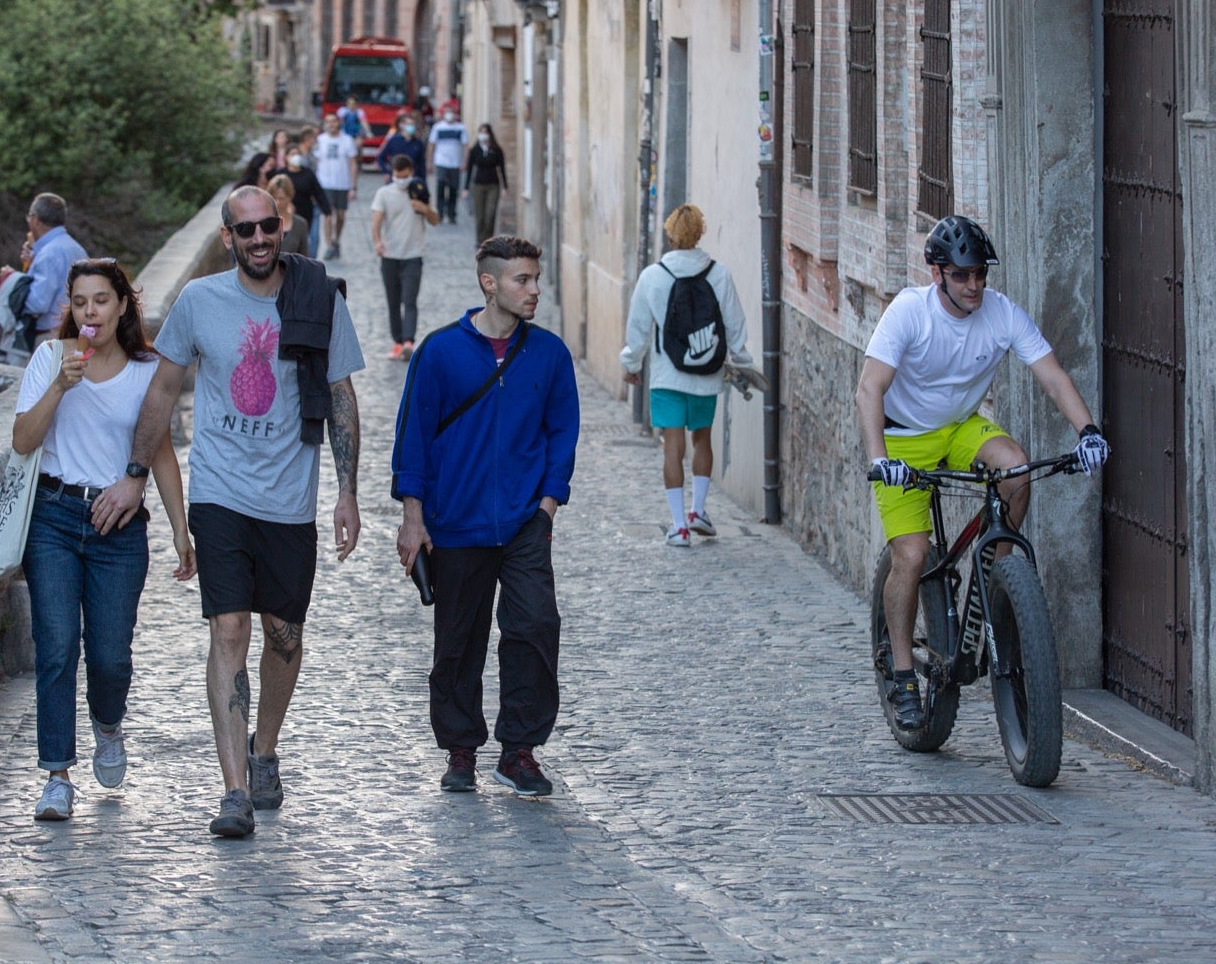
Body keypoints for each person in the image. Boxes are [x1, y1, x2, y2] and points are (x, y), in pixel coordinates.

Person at [93, 185, 364, 839]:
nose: (259, 238)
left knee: (284, 634)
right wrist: (134, 475)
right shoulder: (198, 301)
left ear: (283, 226)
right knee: (230, 631)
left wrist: (347, 490)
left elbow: (341, 394)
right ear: (228, 238)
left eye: (268, 226)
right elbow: (163, 389)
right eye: (246, 230)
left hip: (289, 497)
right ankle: (235, 790)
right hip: (220, 493)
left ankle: (265, 748)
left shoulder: (318, 298)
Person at [856, 214, 1110, 732]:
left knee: (1016, 468)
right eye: (962, 275)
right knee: (913, 554)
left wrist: (1088, 431)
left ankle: (998, 575)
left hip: (960, 427)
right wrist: (880, 458)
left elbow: (1053, 375)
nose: (974, 285)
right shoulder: (910, 312)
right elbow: (869, 389)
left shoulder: (1001, 314)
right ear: (938, 274)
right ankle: (903, 671)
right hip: (904, 436)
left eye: (981, 275)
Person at [392, 236, 580, 798]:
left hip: (525, 522)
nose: (535, 291)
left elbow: (562, 433)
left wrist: (547, 505)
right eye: (522, 280)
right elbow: (414, 437)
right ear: (489, 283)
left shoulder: (548, 354)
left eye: (536, 279)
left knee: (535, 628)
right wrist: (412, 517)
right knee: (458, 639)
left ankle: (519, 751)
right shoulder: (440, 352)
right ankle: (461, 750)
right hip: (455, 521)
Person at [12, 258, 194, 821]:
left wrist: (181, 530)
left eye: (102, 301)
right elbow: (22, 440)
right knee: (58, 645)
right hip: (54, 517)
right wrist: (59, 389)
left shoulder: (146, 370)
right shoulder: (50, 360)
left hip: (119, 529)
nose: (91, 312)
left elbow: (159, 453)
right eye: (81, 302)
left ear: (122, 306)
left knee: (111, 657)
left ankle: (108, 725)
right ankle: (56, 775)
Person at [619, 204, 753, 547]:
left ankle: (678, 526)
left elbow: (638, 328)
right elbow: (735, 324)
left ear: (670, 235)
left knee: (672, 446)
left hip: (667, 376)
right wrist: (742, 362)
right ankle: (698, 511)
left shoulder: (653, 276)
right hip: (707, 374)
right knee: (702, 439)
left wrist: (631, 365)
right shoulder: (718, 273)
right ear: (699, 234)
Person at [371, 155, 439, 360]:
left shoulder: (419, 190)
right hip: (390, 256)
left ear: (411, 172)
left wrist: (424, 208)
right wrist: (377, 242)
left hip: (413, 255)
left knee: (409, 300)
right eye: (398, 176)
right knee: (393, 301)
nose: (401, 179)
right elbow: (376, 221)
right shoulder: (384, 193)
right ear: (393, 174)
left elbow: (435, 220)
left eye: (405, 176)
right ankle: (397, 343)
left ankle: (409, 341)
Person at [18, 193, 89, 342]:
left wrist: (12, 285)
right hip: (77, 333)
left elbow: (37, 303)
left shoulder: (48, 254)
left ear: (35, 220)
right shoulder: (78, 249)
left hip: (50, 336)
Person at [314, 113, 360, 259]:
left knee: (340, 215)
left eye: (333, 121)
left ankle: (337, 240)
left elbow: (353, 164)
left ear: (338, 123)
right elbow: (315, 162)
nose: (331, 124)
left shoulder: (347, 140)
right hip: (324, 183)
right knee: (328, 215)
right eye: (328, 121)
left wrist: (353, 186)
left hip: (342, 183)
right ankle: (329, 245)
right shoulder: (320, 140)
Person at [285, 142, 333, 258]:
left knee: (314, 239)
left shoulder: (308, 173)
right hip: (289, 214)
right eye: (292, 154)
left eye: (298, 154)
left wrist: (327, 211)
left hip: (308, 212)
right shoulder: (282, 174)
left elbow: (318, 192)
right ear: (286, 157)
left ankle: (312, 262)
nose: (296, 156)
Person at [462, 124, 507, 245]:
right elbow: (470, 169)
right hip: (478, 185)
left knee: (490, 213)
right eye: (481, 132)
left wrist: (505, 186)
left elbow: (502, 168)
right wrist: (465, 187)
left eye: (485, 132)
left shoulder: (496, 150)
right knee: (480, 215)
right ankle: (480, 239)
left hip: (493, 185)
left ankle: (489, 239)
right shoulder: (475, 150)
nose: (483, 135)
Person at [428, 107, 469, 224]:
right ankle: (440, 213)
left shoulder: (461, 128)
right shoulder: (437, 127)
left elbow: (466, 146)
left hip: (455, 163)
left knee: (453, 189)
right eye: (447, 112)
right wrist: (430, 162)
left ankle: (451, 214)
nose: (449, 115)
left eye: (451, 112)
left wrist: (464, 162)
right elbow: (431, 145)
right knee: (440, 187)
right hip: (441, 162)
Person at [269, 174, 310, 258]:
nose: (277, 202)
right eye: (274, 198)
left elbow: (304, 256)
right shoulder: (261, 222)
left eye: (281, 198)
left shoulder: (300, 224)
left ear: (289, 197)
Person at [377, 112, 427, 181]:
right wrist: (385, 172)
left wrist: (422, 181)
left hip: (412, 179)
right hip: (395, 179)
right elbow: (380, 158)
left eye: (413, 124)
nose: (411, 126)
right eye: (409, 124)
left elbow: (422, 165)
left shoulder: (418, 143)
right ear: (402, 125)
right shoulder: (394, 140)